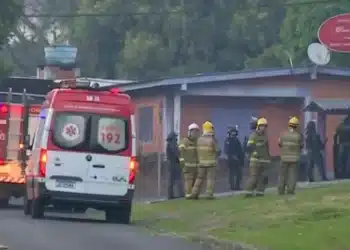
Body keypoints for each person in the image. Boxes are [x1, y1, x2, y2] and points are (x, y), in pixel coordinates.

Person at [190, 121, 219, 199]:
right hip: (211, 163)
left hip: (201, 163)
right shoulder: (212, 140)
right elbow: (217, 150)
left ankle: (194, 193)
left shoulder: (199, 139)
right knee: (210, 179)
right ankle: (209, 194)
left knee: (199, 178)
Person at [244, 117, 270, 197]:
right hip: (255, 160)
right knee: (254, 177)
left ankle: (260, 192)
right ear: (258, 126)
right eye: (262, 126)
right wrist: (254, 153)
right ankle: (248, 192)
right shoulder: (253, 135)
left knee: (263, 178)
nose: (264, 128)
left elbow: (266, 148)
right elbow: (249, 147)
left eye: (265, 126)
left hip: (264, 160)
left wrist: (268, 159)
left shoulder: (265, 136)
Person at [277, 117, 303, 195]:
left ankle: (281, 190)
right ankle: (290, 190)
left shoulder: (283, 134)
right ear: (297, 126)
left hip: (284, 158)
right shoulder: (299, 136)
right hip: (294, 159)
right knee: (292, 175)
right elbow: (301, 146)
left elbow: (279, 144)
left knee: (282, 175)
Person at [178, 123, 200, 199]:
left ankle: (194, 195)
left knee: (196, 182)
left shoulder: (197, 142)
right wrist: (182, 162)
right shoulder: (184, 141)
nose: (195, 133)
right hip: (187, 166)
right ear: (190, 132)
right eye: (194, 132)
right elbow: (181, 152)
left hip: (196, 166)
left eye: (197, 132)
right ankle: (188, 195)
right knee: (188, 181)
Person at [224, 126, 244, 190]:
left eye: (234, 132)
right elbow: (227, 151)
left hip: (238, 160)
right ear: (230, 133)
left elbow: (240, 150)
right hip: (231, 160)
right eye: (232, 132)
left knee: (239, 174)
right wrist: (232, 156)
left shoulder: (237, 140)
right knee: (232, 174)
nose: (233, 134)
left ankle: (237, 186)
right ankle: (232, 187)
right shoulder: (228, 140)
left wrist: (241, 158)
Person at [166, 131, 184, 199]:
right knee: (177, 179)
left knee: (171, 180)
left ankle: (170, 195)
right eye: (175, 136)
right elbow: (176, 152)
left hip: (171, 163)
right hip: (174, 163)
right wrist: (180, 156)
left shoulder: (169, 143)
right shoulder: (173, 143)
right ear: (173, 137)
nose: (176, 137)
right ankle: (180, 194)